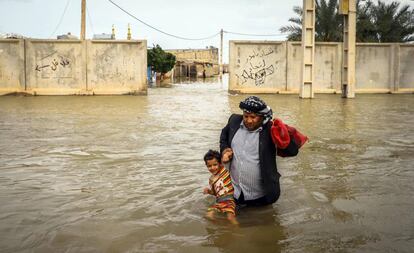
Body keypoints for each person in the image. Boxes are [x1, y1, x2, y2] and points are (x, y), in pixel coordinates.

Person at [220, 96, 301, 207]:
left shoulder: (270, 129)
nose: (248, 120)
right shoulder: (234, 121)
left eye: (253, 117)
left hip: (260, 196)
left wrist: (283, 135)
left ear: (262, 117)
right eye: (246, 116)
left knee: (262, 219)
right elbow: (224, 136)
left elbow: (292, 151)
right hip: (235, 192)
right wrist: (225, 150)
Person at [203, 149, 238, 225]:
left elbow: (228, 158)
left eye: (215, 165)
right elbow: (215, 193)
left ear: (220, 164)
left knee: (230, 217)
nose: (212, 168)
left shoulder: (224, 171)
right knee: (208, 215)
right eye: (209, 166)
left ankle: (237, 230)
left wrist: (227, 154)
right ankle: (220, 226)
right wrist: (209, 191)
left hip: (229, 200)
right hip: (219, 201)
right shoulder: (211, 179)